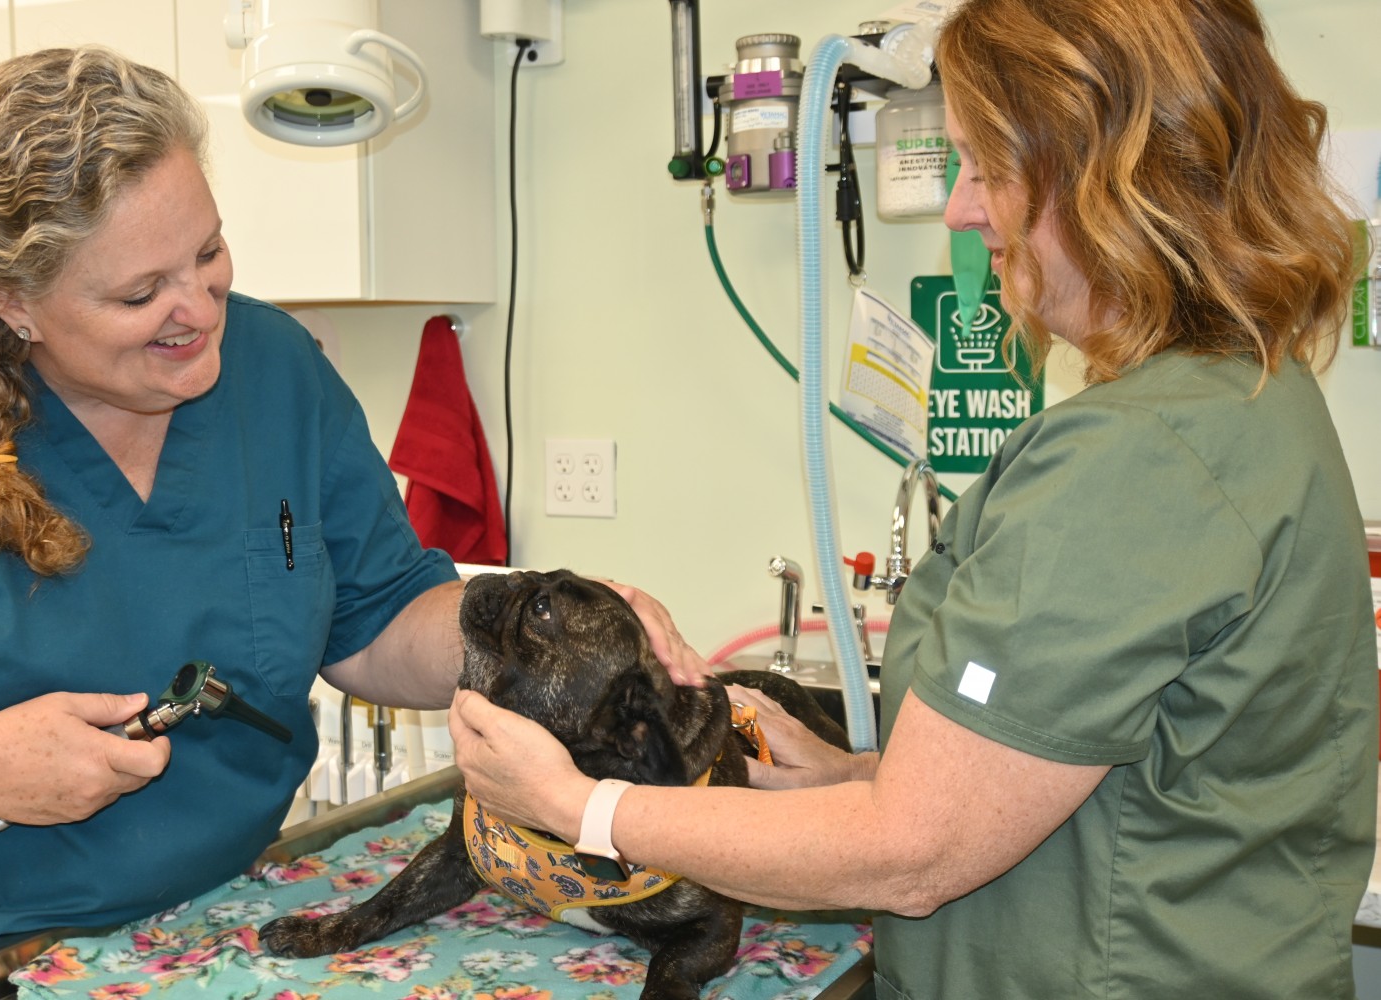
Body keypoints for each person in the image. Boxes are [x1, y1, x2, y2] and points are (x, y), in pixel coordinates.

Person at [449, 0, 1379, 996]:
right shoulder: (1252, 393)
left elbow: (909, 854)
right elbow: (1100, 777)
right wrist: (854, 775)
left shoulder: (1139, 459)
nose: (960, 209)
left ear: (1105, 175)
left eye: (985, 166)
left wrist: (578, 805)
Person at [0, 46, 703, 977]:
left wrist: (540, 624)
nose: (198, 308)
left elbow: (377, 616)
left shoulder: (276, 369)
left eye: (207, 252)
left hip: (224, 925)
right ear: (11, 302)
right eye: (140, 293)